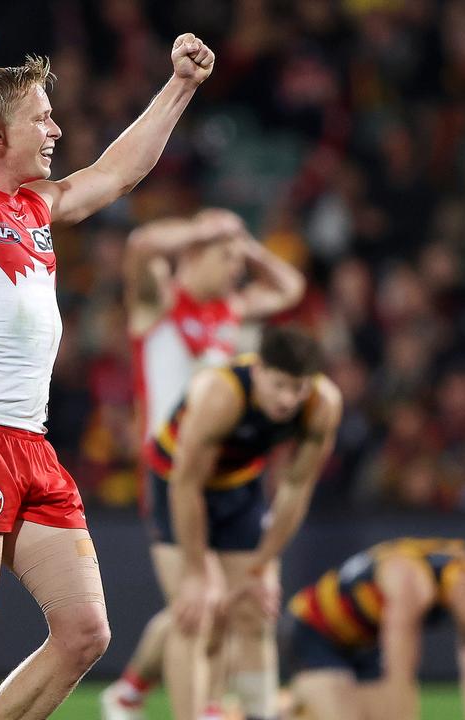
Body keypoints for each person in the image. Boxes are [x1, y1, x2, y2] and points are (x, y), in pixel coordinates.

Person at [0, 24, 215, 720]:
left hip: (31, 445)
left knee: (85, 632)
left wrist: (179, 85)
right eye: (43, 117)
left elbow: (118, 172)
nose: (58, 128)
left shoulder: (37, 207)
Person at [103, 208, 306, 720]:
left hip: (227, 473)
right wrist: (203, 230)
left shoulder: (232, 311)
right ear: (195, 253)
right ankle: (195, 706)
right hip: (169, 472)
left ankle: (133, 694)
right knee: (199, 606)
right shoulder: (159, 304)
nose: (237, 268)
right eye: (227, 257)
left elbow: (291, 288)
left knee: (224, 603)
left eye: (240, 259)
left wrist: (246, 244)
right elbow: (141, 245)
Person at [153, 326, 341, 720]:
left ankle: (260, 714)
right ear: (257, 371)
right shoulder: (220, 395)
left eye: (299, 388)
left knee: (255, 610)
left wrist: (264, 564)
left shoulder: (322, 404)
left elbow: (295, 487)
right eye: (280, 386)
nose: (289, 400)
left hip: (240, 486)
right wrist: (195, 571)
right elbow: (187, 487)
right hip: (175, 482)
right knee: (194, 613)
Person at [284, 538, 465, 720]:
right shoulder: (414, 584)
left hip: (365, 641)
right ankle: (280, 707)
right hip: (315, 628)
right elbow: (399, 671)